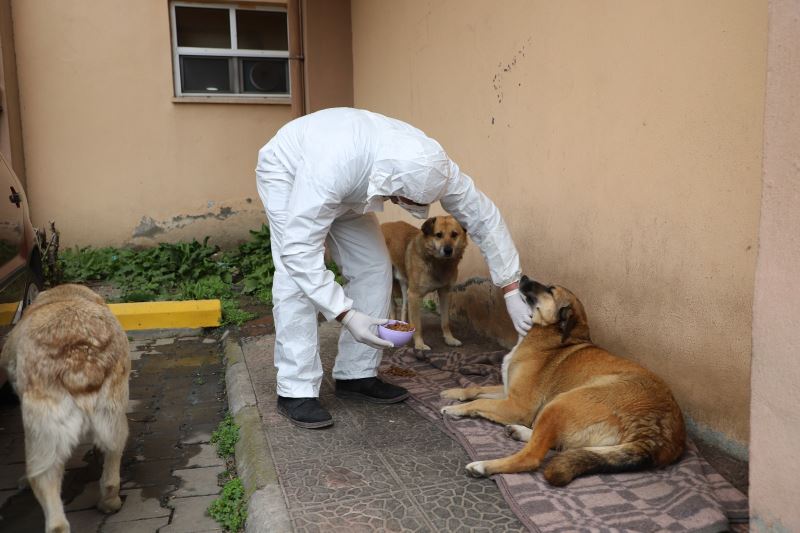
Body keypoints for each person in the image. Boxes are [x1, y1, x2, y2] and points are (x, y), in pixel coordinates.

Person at [255, 107, 532, 429]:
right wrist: (346, 314)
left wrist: (511, 287)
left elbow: (482, 217)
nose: (401, 205)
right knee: (295, 277)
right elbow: (299, 250)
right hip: (290, 171)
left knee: (374, 267)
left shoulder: (435, 166)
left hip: (351, 184)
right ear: (387, 183)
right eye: (398, 198)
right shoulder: (332, 167)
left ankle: (356, 375)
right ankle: (295, 389)